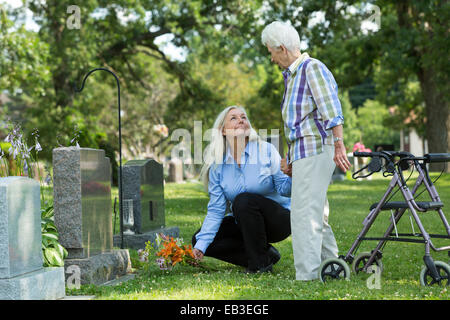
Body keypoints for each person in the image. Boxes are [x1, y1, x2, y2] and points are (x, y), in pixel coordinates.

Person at [261, 21, 351, 281]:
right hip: (303, 151)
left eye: (271, 51)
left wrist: (339, 143)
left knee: (303, 215)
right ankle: (331, 266)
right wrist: (290, 156)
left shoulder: (312, 69)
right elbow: (299, 123)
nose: (271, 57)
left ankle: (309, 275)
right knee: (315, 213)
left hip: (315, 150)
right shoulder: (292, 75)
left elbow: (330, 109)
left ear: (281, 48)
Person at [191, 105, 292, 273]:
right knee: (199, 239)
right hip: (245, 223)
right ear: (223, 131)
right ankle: (266, 255)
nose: (241, 120)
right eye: (234, 118)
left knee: (243, 200)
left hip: (278, 220)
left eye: (243, 117)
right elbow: (217, 210)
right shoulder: (218, 166)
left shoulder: (267, 150)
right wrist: (201, 246)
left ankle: (260, 265)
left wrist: (291, 175)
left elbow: (284, 189)